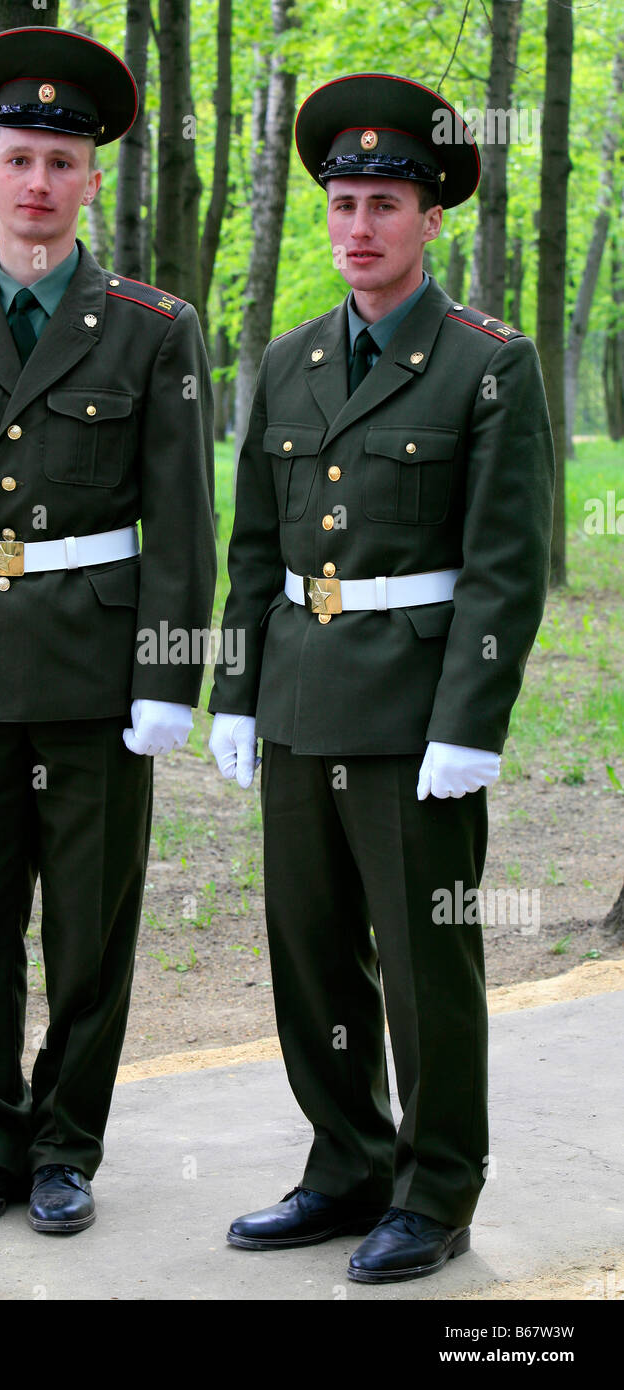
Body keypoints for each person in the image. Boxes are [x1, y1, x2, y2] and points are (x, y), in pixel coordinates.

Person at [0, 25, 216, 1235]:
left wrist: (171, 675)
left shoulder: (152, 326)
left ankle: (67, 1145)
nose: (38, 184)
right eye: (17, 159)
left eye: (62, 165)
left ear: (91, 183)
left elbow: (182, 523)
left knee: (88, 929)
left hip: (98, 665)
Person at [208, 72, 553, 1283]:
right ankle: (344, 1163)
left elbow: (506, 571)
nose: (359, 225)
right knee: (309, 956)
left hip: (415, 715)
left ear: (430, 216)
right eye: (342, 201)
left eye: (383, 203)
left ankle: (436, 1185)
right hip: (301, 697)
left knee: (422, 963)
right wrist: (234, 693)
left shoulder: (487, 366)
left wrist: (472, 722)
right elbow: (254, 549)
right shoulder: (290, 359)